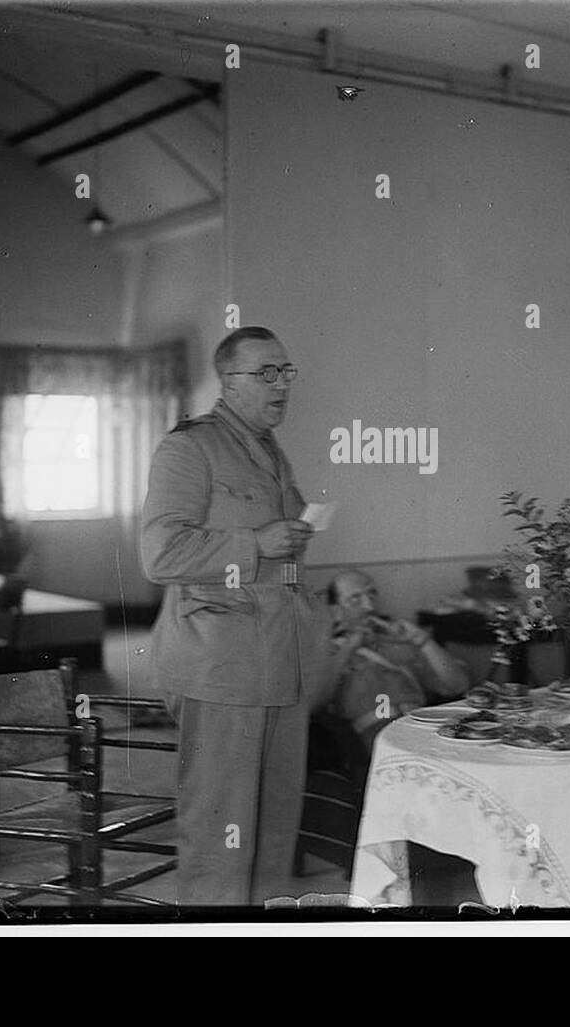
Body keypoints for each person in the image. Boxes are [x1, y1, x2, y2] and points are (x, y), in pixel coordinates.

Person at [140, 326, 327, 906]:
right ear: (228, 381)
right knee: (218, 841)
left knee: (275, 832)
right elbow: (160, 553)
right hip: (221, 671)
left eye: (286, 371)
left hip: (282, 665)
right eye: (265, 373)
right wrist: (256, 543)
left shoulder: (270, 450)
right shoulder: (189, 448)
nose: (281, 384)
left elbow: (279, 554)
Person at [325, 570, 469, 748]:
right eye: (355, 599)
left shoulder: (399, 642)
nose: (369, 606)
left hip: (423, 724)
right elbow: (317, 701)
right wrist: (349, 647)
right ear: (336, 611)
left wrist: (422, 641)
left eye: (372, 594)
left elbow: (457, 686)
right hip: (377, 732)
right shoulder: (330, 650)